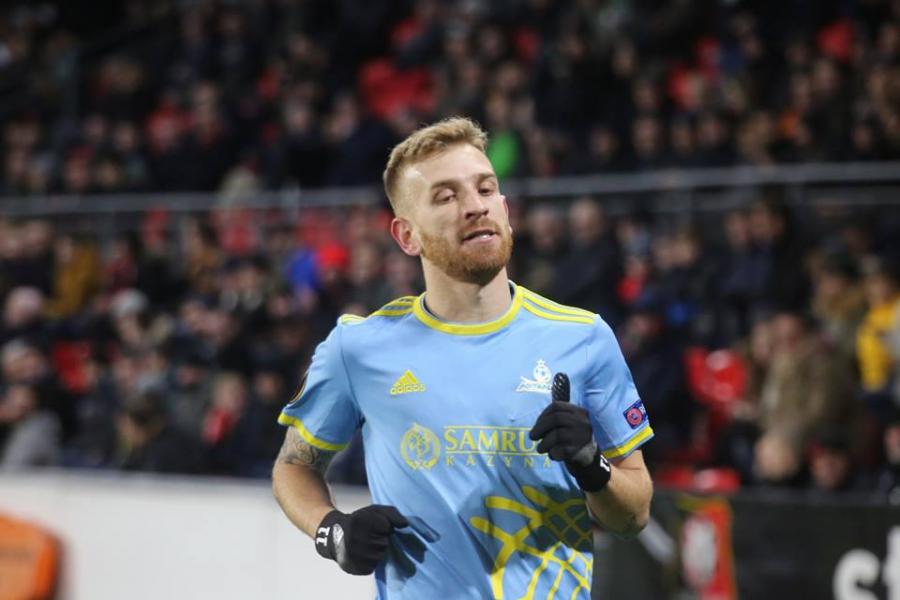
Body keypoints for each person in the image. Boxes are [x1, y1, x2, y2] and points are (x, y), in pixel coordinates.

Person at [271, 118, 654, 599]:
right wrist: (332, 530)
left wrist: (593, 467)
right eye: (446, 197)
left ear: (505, 211)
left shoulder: (584, 338)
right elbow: (293, 466)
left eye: (485, 189)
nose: (475, 206)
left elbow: (634, 516)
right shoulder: (359, 348)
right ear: (407, 236)